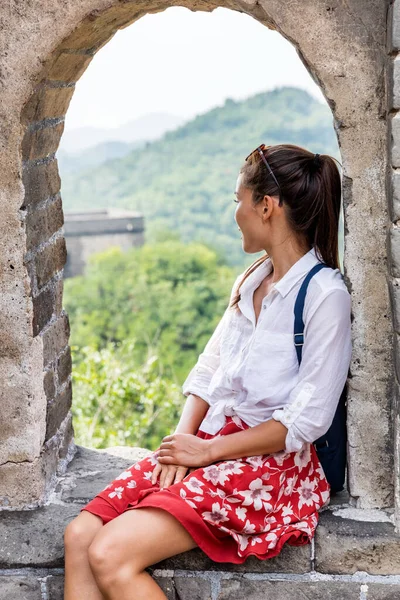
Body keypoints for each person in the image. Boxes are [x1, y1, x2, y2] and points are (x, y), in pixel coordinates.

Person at [63, 143, 352, 599]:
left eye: (237, 199)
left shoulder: (323, 295)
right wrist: (183, 447)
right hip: (211, 444)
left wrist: (207, 454)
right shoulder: (251, 281)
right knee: (79, 537)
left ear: (266, 206)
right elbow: (208, 371)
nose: (234, 210)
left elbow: (306, 419)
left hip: (269, 466)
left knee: (110, 554)